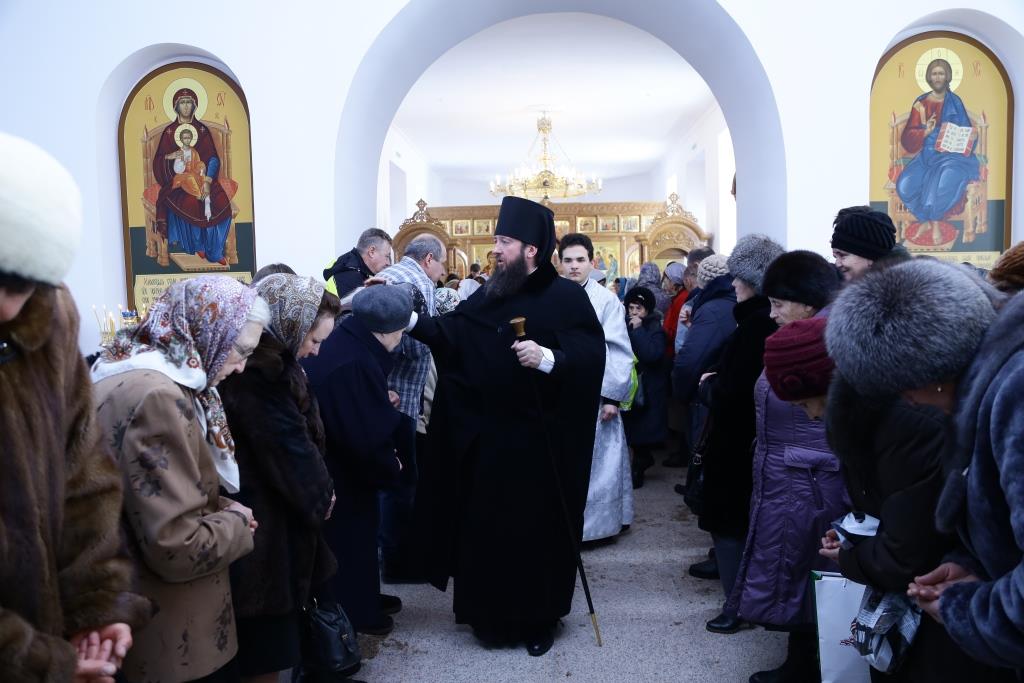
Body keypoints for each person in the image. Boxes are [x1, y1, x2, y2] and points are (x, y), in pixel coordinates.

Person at [408, 196, 605, 657]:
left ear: (531, 249)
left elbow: (592, 357)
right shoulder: (491, 292)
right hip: (490, 442)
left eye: (504, 241)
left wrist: (548, 357)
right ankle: (487, 615)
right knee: (487, 530)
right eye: (497, 240)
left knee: (535, 533)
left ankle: (540, 618)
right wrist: (408, 318)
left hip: (542, 447)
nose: (495, 249)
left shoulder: (566, 297)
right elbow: (453, 333)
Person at [0, 132, 148, 682]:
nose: (7, 308)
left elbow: (84, 475)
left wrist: (99, 604)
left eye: (23, 287)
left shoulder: (49, 318)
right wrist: (36, 663)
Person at [826, 260, 1022, 676]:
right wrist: (977, 567)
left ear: (929, 372)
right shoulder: (996, 385)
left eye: (901, 389)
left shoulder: (1014, 397)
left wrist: (966, 609)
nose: (907, 402)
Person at [92, 275, 270, 682]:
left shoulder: (130, 372)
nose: (241, 367)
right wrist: (237, 522)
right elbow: (175, 544)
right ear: (208, 331)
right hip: (174, 634)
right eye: (240, 351)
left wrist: (218, 504)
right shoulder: (158, 397)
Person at [729, 251, 845, 683]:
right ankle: (802, 662)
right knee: (797, 571)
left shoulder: (827, 344)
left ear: (808, 302)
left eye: (779, 304)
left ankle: (811, 668)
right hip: (791, 476)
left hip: (813, 483)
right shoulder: (805, 335)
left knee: (813, 572)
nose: (772, 313)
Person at [218, 274, 342, 683]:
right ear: (290, 324)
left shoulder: (275, 362)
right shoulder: (260, 373)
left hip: (277, 520)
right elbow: (289, 450)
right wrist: (321, 496)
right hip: (266, 530)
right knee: (266, 651)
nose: (315, 350)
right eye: (314, 339)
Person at [302, 286, 411, 636]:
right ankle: (357, 613)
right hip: (341, 469)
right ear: (384, 331)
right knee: (351, 541)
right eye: (400, 332)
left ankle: (364, 598)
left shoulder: (351, 341)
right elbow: (363, 434)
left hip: (338, 461)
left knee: (359, 538)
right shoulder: (356, 361)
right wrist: (391, 464)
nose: (401, 339)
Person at [697, 234, 784, 634]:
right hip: (747, 438)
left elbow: (735, 390)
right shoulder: (757, 320)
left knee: (732, 521)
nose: (732, 284)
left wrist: (708, 386)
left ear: (754, 280)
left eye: (739, 278)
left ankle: (737, 604)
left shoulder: (755, 326)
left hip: (738, 441)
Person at [373, 234, 447, 582]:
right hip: (400, 395)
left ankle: (392, 557)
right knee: (401, 481)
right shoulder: (417, 283)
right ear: (429, 259)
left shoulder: (390, 274)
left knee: (392, 477)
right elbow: (414, 343)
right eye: (442, 264)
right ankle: (397, 563)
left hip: (388, 391)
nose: (442, 272)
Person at [559, 233, 634, 542]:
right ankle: (564, 525)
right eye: (568, 260)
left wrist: (612, 396)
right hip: (560, 392)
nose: (574, 266)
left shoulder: (606, 300)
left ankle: (596, 528)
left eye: (580, 260)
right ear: (559, 263)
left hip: (596, 395)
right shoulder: (551, 297)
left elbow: (618, 349)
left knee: (598, 463)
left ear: (592, 262)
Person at [896, 58, 981, 248]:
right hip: (927, 156)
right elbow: (907, 138)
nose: (937, 77)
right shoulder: (920, 103)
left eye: (941, 73)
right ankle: (924, 219)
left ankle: (934, 223)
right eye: (934, 74)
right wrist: (925, 131)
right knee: (905, 185)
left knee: (945, 181)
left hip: (953, 157)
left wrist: (971, 136)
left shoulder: (955, 101)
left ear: (947, 76)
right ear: (929, 77)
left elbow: (966, 130)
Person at [153, 88, 236, 265]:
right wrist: (170, 157)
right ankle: (198, 245)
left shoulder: (202, 131)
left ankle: (214, 251)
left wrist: (207, 181)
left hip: (203, 178)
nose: (185, 106)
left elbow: (212, 159)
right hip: (177, 182)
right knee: (192, 203)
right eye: (182, 103)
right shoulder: (169, 132)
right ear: (176, 107)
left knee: (222, 205)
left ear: (195, 105)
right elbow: (158, 161)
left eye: (189, 102)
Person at [670, 254, 736, 469]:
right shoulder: (732, 301)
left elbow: (691, 360)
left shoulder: (712, 308)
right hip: (722, 390)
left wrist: (681, 392)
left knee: (702, 455)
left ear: (703, 281)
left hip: (707, 394)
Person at [621, 286, 668, 489]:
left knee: (641, 431)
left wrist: (639, 331)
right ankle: (640, 461)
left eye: (638, 308)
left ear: (647, 310)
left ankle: (639, 465)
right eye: (631, 308)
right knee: (633, 430)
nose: (634, 312)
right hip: (631, 386)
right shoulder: (624, 325)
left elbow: (651, 354)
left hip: (647, 389)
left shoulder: (654, 328)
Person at [830, 206, 899, 281]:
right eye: (835, 257)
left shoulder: (901, 287)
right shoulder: (832, 284)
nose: (837, 264)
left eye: (842, 255)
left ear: (871, 257)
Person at [323, 227, 393, 299]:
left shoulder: (357, 271)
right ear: (372, 252)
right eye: (387, 256)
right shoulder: (350, 280)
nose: (388, 263)